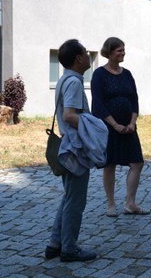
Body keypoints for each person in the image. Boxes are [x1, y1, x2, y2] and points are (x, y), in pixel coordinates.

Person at [45, 39, 97, 261]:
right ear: (78, 58)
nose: (88, 56)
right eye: (86, 53)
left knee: (68, 197)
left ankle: (55, 244)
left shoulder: (64, 79)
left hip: (67, 147)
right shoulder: (75, 82)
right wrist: (96, 127)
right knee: (75, 202)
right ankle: (69, 249)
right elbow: (69, 115)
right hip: (75, 149)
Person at [91, 37, 149, 217]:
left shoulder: (127, 74)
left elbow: (134, 100)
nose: (123, 53)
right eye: (119, 50)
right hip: (108, 127)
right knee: (110, 164)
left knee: (137, 162)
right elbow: (98, 104)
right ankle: (111, 204)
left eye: (123, 50)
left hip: (129, 127)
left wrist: (132, 122)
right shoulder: (99, 74)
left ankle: (130, 203)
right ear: (109, 52)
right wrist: (115, 125)